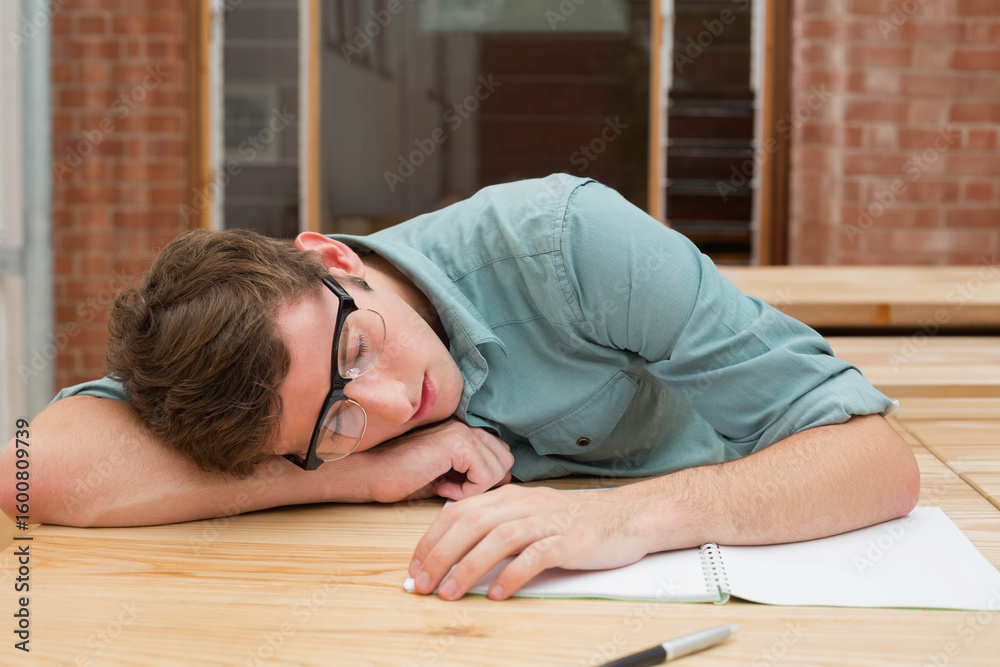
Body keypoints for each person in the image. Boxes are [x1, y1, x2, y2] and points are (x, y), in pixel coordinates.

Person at [1, 174, 919, 602]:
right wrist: (356, 474)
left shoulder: (567, 242)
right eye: (339, 421)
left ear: (333, 258)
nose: (390, 405)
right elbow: (30, 472)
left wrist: (620, 517)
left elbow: (875, 459)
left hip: (752, 550)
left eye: (359, 349)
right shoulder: (284, 399)